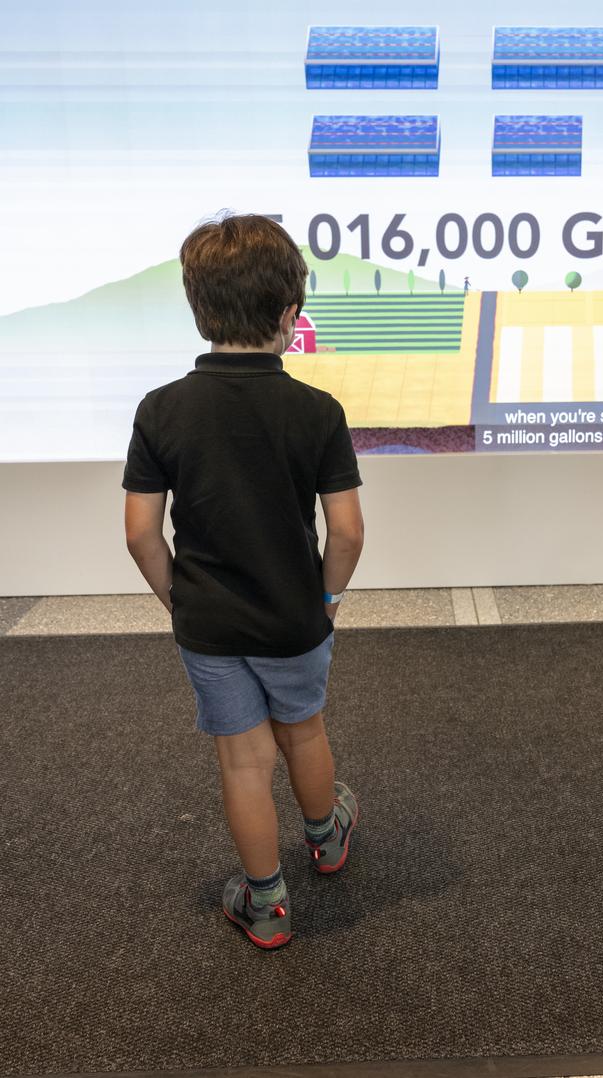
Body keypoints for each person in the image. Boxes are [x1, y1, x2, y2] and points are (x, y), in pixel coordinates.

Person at [123, 213, 365, 950]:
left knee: (241, 760)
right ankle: (325, 840)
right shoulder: (317, 411)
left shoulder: (161, 409)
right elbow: (348, 531)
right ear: (292, 315)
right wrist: (325, 597)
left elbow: (140, 532)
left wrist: (180, 598)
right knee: (306, 730)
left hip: (210, 628)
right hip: (297, 621)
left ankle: (266, 907)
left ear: (200, 309)